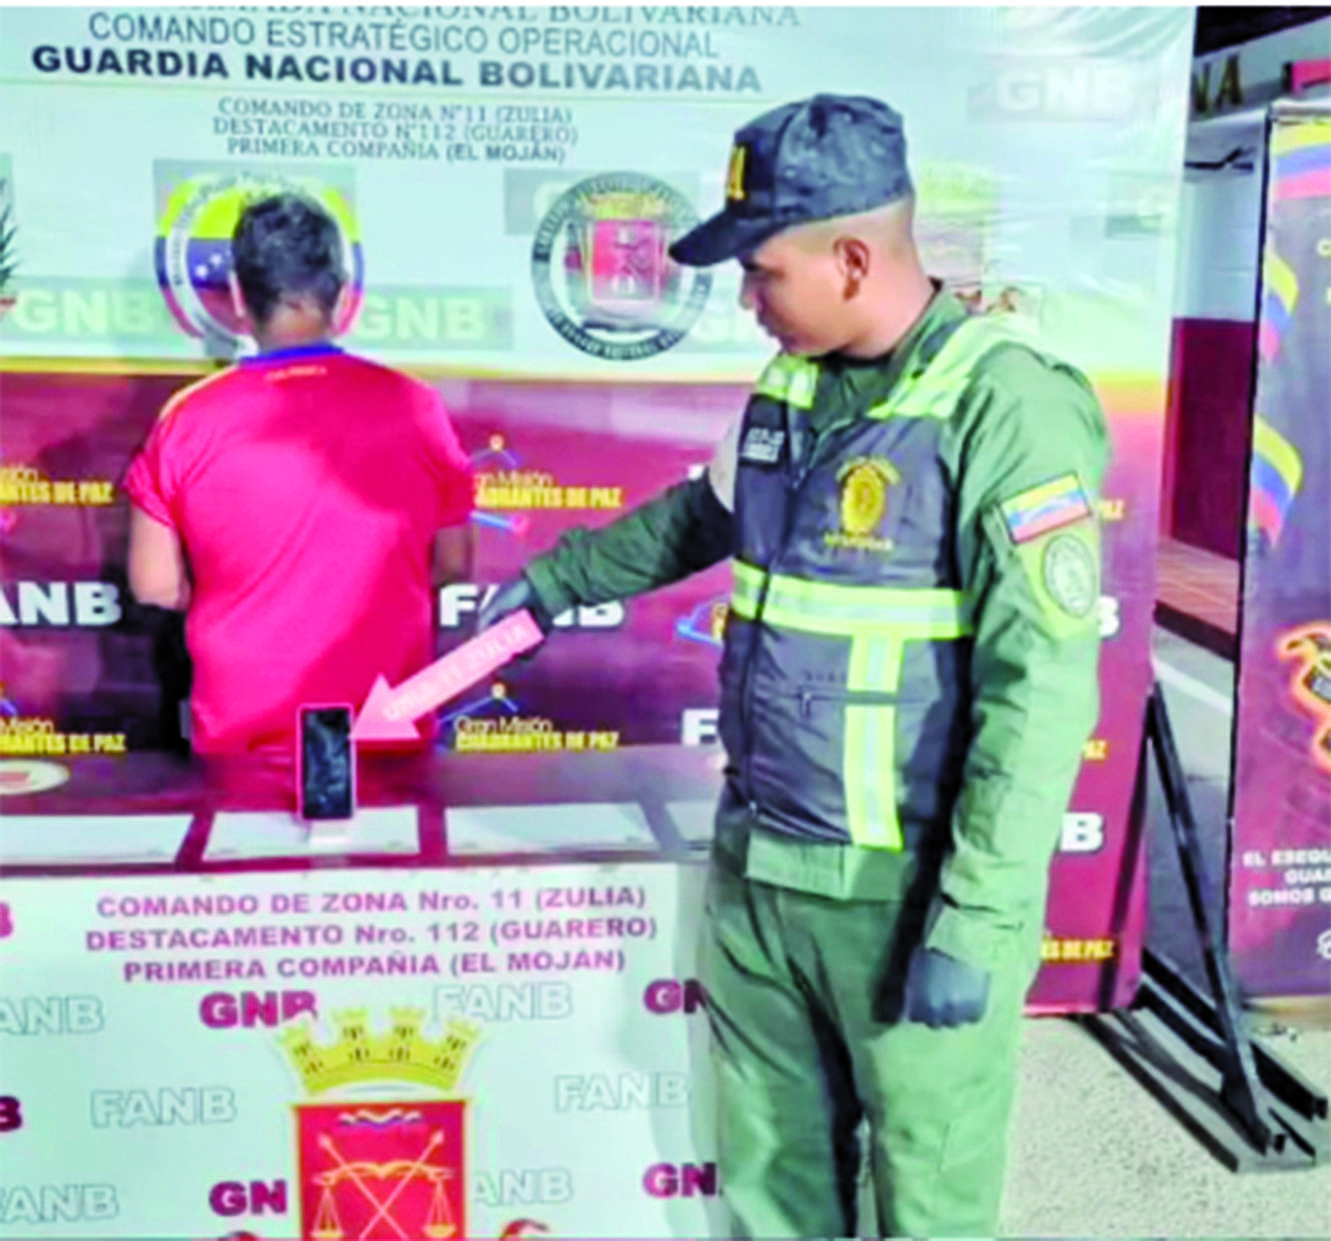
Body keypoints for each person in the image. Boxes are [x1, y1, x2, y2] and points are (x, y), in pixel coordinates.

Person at [478, 94, 1108, 1237]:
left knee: (926, 1200)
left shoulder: (1003, 402)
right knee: (771, 1190)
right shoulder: (789, 385)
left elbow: (1041, 689)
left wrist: (973, 917)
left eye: (761, 271)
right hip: (760, 873)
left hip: (902, 893)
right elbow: (698, 516)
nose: (745, 299)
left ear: (852, 259)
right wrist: (557, 580)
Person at [126, 192, 474, 756]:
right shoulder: (416, 406)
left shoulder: (186, 419)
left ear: (238, 296)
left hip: (245, 731)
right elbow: (453, 563)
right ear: (343, 296)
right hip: (385, 725)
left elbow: (155, 584)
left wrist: (248, 604)